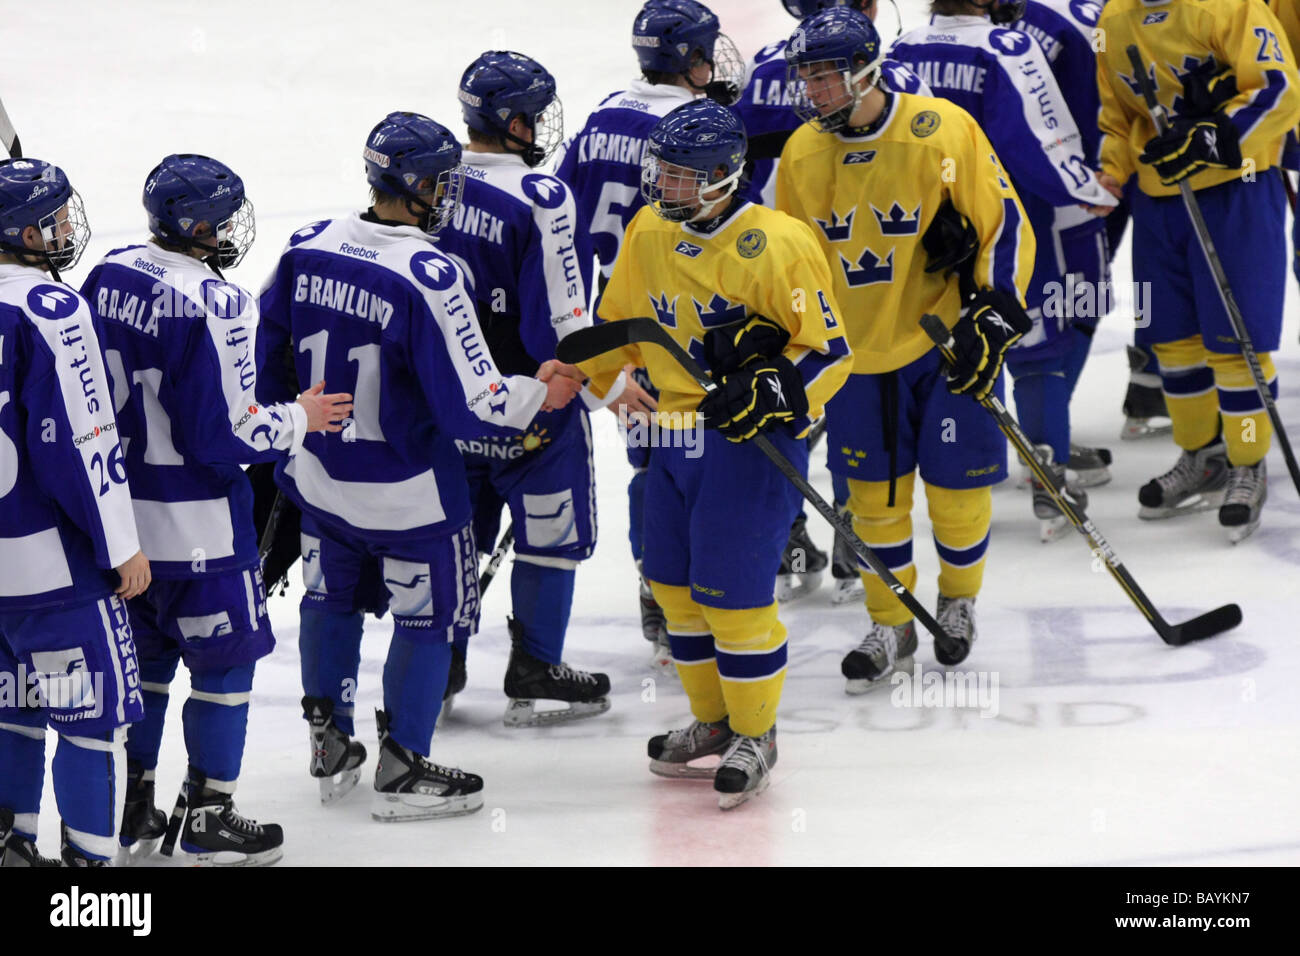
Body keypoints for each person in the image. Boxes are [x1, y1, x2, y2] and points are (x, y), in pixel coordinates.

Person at [256, 111, 581, 821]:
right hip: (412, 500)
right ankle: (403, 764)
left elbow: (267, 361)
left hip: (321, 482)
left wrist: (289, 429)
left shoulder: (305, 245)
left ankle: (330, 738)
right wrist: (541, 393)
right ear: (413, 185)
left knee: (328, 601)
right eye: (443, 184)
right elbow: (475, 404)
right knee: (428, 621)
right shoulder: (427, 274)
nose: (451, 196)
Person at [577, 98, 852, 808]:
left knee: (733, 596)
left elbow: (831, 352)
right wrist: (606, 384)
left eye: (679, 176)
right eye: (660, 172)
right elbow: (620, 324)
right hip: (668, 436)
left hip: (746, 446)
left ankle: (756, 733)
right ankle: (711, 721)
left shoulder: (781, 242)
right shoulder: (649, 229)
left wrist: (777, 389)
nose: (661, 187)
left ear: (726, 176)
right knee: (672, 587)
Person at [80, 154, 350, 866]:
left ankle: (133, 803)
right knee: (226, 668)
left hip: (124, 531)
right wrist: (300, 416)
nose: (233, 226)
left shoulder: (108, 271)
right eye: (223, 215)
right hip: (200, 533)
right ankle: (208, 816)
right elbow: (226, 434)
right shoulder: (217, 300)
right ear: (196, 225)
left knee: (144, 668)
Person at [778, 7, 1035, 687]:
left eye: (826, 78)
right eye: (807, 79)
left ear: (866, 70)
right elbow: (789, 261)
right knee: (873, 499)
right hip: (858, 357)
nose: (815, 93)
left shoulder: (939, 129)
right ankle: (890, 621)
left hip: (945, 341)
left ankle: (956, 604)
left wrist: (993, 316)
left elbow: (1002, 223)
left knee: (956, 490)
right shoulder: (802, 153)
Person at [554, 0, 740, 671]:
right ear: (690, 58)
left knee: (651, 466)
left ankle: (658, 592)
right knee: (703, 460)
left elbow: (558, 226)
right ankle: (706, 596)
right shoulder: (696, 129)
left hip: (609, 328)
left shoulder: (602, 113)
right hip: (675, 322)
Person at [891, 0, 1119, 541]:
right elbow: (1035, 143)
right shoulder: (1005, 47)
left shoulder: (900, 50)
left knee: (947, 347)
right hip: (1004, 223)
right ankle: (1047, 476)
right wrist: (1088, 188)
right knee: (1034, 341)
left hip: (922, 233)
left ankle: (944, 480)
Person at [736, 0, 931, 606]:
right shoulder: (889, 76)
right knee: (844, 397)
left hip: (770, 267)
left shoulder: (765, 65)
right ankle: (852, 533)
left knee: (792, 404)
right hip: (860, 268)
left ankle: (789, 537)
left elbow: (728, 164)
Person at [438, 51, 612, 725]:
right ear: (510, 121)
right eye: (533, 114)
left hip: (451, 409)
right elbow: (565, 325)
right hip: (534, 409)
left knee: (458, 536)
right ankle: (536, 664)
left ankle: (441, 660)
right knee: (550, 537)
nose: (541, 125)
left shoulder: (430, 179)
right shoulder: (541, 199)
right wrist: (607, 388)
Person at [1094, 0, 1300, 542]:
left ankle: (1247, 463)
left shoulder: (1230, 6)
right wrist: (1111, 170)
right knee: (1173, 342)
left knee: (1238, 344)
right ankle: (1201, 456)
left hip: (1239, 188)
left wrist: (1214, 135)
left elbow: (1280, 87)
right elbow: (1117, 115)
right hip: (1159, 196)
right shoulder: (1114, 18)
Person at [0, 157, 150, 866]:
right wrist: (120, 544)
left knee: (12, 711)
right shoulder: (51, 311)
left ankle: (13, 847)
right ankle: (93, 885)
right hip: (53, 577)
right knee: (90, 724)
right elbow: (84, 446)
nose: (65, 230)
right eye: (52, 219)